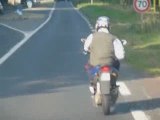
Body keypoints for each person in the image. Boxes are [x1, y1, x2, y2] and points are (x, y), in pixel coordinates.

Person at [83, 16, 125, 94]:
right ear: (109, 26)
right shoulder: (113, 38)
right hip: (109, 63)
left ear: (97, 25)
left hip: (95, 64)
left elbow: (86, 47)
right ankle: (113, 84)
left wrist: (85, 51)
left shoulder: (92, 36)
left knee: (88, 66)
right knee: (117, 64)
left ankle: (92, 83)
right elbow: (120, 55)